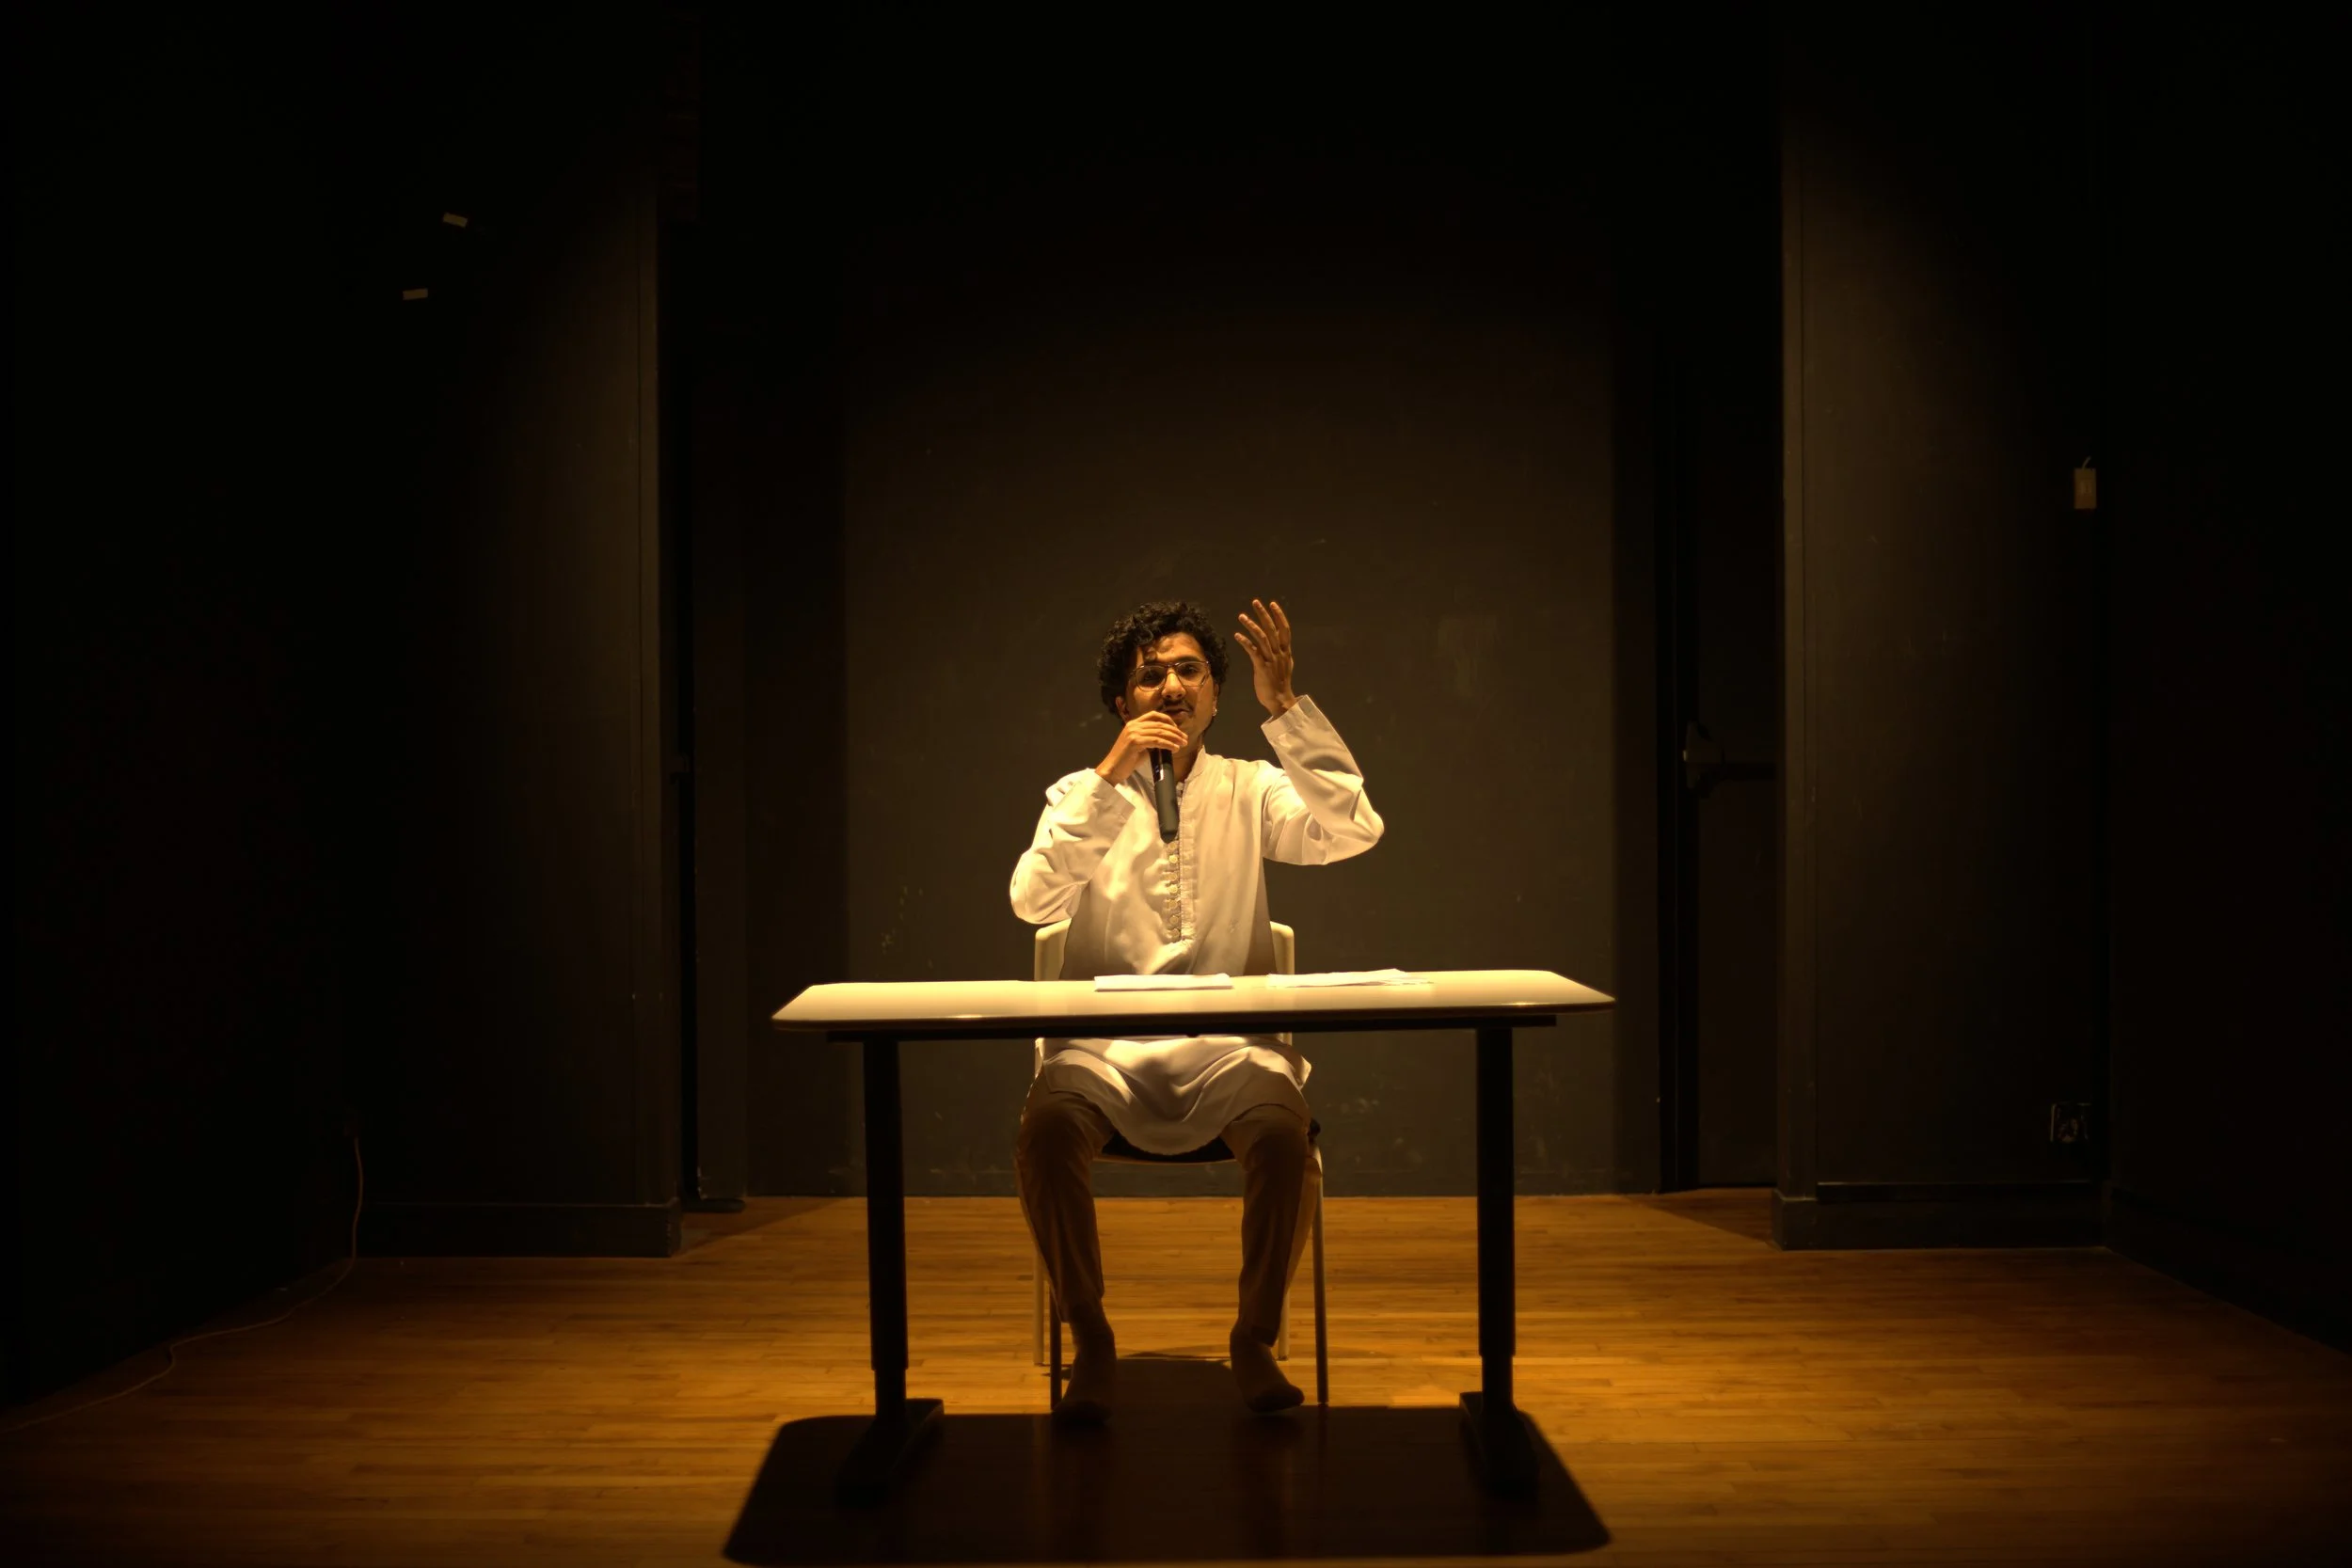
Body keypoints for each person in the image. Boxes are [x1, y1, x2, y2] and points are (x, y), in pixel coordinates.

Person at [1008, 596, 1383, 1420]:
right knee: (1046, 1131)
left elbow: (1353, 828)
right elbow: (1033, 900)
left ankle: (1253, 1337)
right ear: (1123, 701)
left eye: (1189, 671)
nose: (1172, 688)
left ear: (1215, 694)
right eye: (1151, 675)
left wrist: (1286, 709)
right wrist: (1110, 776)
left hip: (1230, 1050)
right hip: (1103, 1053)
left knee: (1285, 1137)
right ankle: (1090, 1337)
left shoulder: (1251, 787)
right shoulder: (1080, 793)